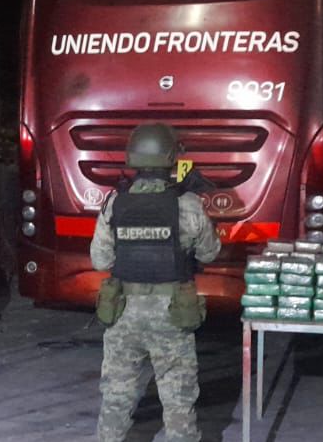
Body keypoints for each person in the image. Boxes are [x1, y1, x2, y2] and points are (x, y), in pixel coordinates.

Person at [91, 123, 221, 442]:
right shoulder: (187, 203)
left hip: (123, 312)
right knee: (178, 399)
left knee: (116, 396)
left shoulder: (115, 202)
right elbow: (210, 253)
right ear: (171, 157)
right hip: (171, 313)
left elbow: (100, 260)